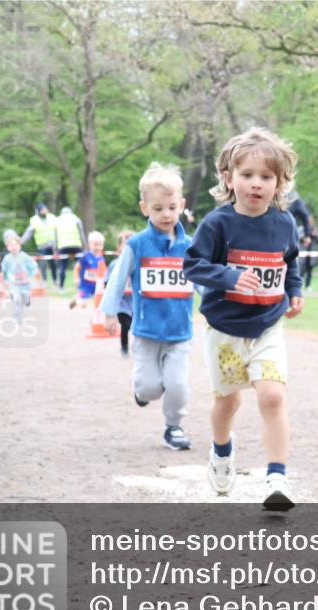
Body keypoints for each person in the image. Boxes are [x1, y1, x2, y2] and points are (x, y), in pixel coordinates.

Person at [183, 127, 304, 509]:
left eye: (266, 177)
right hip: (225, 330)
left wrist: (295, 291)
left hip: (267, 325)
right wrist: (229, 276)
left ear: (279, 183)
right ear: (228, 178)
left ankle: (277, 478)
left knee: (271, 395)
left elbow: (290, 262)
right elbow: (192, 266)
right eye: (247, 175)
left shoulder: (284, 223)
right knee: (228, 404)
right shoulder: (218, 224)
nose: (256, 184)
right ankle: (221, 452)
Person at [101, 163, 195, 450]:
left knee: (177, 385)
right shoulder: (137, 245)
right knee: (149, 387)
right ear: (144, 208)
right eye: (157, 209)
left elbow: (203, 279)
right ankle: (141, 391)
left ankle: (173, 426)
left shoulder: (191, 246)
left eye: (171, 207)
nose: (165, 214)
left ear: (181, 205)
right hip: (145, 332)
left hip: (180, 332)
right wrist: (109, 312)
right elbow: (117, 280)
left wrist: (220, 300)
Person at [104, 229, 136, 357]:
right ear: (119, 247)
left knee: (137, 327)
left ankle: (138, 347)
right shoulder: (114, 264)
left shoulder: (140, 263)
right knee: (126, 325)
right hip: (122, 303)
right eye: (126, 244)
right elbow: (108, 282)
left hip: (136, 302)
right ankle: (124, 347)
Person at [1, 231, 40, 323]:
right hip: (13, 284)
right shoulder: (7, 258)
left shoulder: (25, 257)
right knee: (16, 300)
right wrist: (5, 281)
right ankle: (17, 316)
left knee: (24, 300)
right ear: (7, 247)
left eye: (15, 244)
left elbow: (33, 267)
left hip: (24, 284)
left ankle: (27, 300)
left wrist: (33, 275)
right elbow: (4, 270)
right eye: (11, 245)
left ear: (19, 246)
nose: (13, 247)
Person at [21, 202, 58, 287]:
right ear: (39, 210)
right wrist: (20, 242)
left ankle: (55, 281)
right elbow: (28, 233)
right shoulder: (34, 220)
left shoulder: (52, 217)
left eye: (46, 208)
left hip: (53, 246)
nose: (46, 210)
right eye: (43, 209)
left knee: (54, 264)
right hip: (42, 246)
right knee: (43, 264)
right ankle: (44, 281)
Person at [69, 231, 106, 309]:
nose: (98, 247)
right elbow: (77, 268)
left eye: (100, 245)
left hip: (96, 285)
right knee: (83, 304)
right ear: (90, 245)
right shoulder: (86, 256)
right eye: (95, 245)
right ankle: (77, 300)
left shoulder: (101, 258)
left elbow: (103, 271)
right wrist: (76, 278)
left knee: (101, 302)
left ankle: (77, 298)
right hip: (85, 286)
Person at [54, 206, 87, 291]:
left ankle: (61, 287)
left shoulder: (57, 220)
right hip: (76, 245)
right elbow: (81, 234)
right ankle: (82, 286)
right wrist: (85, 246)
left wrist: (55, 251)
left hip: (63, 246)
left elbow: (55, 238)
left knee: (62, 267)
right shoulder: (76, 218)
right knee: (81, 266)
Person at [300, 216, 318, 289]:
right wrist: (304, 238)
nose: (310, 222)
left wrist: (316, 235)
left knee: (309, 270)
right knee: (301, 270)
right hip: (303, 253)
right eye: (309, 221)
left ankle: (308, 285)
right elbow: (297, 237)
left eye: (311, 221)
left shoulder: (315, 229)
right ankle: (300, 283)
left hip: (311, 254)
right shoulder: (302, 228)